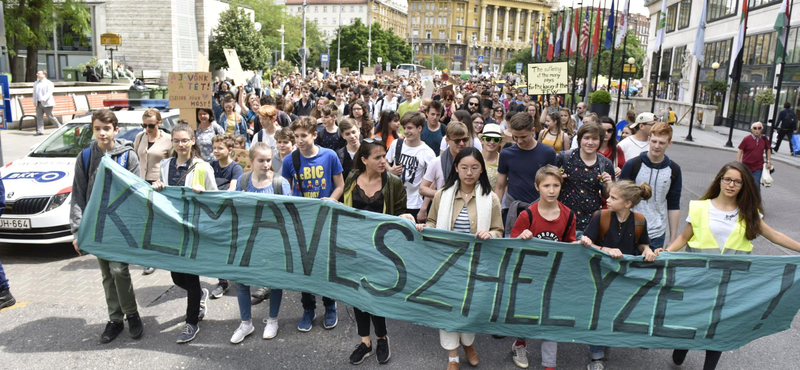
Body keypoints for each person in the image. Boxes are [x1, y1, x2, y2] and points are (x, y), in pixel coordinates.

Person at [655, 161, 800, 370]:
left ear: (744, 186)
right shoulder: (699, 207)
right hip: (698, 279)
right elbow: (685, 237)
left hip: (732, 284)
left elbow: (775, 236)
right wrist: (666, 252)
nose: (731, 185)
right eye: (728, 179)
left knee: (720, 327)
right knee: (692, 320)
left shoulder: (749, 213)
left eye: (738, 182)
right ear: (720, 180)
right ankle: (681, 349)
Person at [416, 147, 504, 370]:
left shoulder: (491, 198)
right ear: (456, 168)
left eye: (474, 167)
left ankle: (468, 345)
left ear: (481, 169)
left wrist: (490, 234)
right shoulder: (442, 195)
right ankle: (453, 356)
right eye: (464, 167)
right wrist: (423, 228)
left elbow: (498, 230)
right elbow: (433, 224)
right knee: (446, 308)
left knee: (469, 309)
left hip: (476, 265)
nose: (469, 172)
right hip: (446, 265)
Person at [70, 110, 143, 344]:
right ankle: (115, 319)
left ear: (115, 130)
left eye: (107, 128)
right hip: (95, 225)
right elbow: (78, 194)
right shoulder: (85, 156)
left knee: (119, 270)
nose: (102, 133)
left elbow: (137, 192)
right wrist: (77, 230)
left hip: (119, 226)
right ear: (93, 129)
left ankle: (132, 314)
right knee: (106, 274)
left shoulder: (128, 156)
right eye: (97, 128)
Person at [342, 138, 409, 365]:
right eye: (378, 157)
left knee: (374, 294)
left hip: (381, 251)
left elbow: (400, 212)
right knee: (357, 295)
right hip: (354, 248)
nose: (383, 161)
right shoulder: (351, 179)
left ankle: (381, 338)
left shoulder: (393, 182)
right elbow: (344, 210)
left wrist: (406, 217)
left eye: (384, 156)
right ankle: (365, 342)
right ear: (364, 160)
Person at [580, 180, 656, 370]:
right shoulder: (601, 216)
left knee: (615, 313)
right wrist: (605, 249)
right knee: (600, 313)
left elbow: (642, 243)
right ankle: (595, 357)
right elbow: (586, 243)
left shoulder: (639, 220)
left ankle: (605, 343)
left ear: (628, 203)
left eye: (613, 198)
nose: (608, 200)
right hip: (600, 274)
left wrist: (647, 250)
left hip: (624, 276)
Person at [152, 123, 217, 343]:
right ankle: (199, 295)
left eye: (185, 140)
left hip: (192, 230)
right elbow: (162, 194)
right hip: (172, 229)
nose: (181, 145)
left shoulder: (202, 167)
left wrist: (203, 193)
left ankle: (191, 323)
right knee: (177, 276)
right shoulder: (164, 165)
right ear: (172, 142)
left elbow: (215, 199)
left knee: (190, 276)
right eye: (177, 140)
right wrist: (158, 186)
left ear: (192, 141)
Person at [508, 165, 576, 370]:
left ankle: (549, 365)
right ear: (537, 187)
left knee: (550, 319)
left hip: (554, 276)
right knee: (526, 315)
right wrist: (521, 237)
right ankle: (520, 343)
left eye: (556, 185)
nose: (552, 190)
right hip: (529, 276)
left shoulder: (568, 215)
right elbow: (511, 245)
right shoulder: (527, 215)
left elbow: (569, 243)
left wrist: (579, 246)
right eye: (546, 185)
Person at [281, 116, 344, 331]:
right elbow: (285, 190)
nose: (299, 140)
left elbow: (340, 185)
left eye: (303, 136)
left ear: (314, 135)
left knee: (325, 265)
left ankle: (330, 305)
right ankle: (308, 308)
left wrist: (333, 199)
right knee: (304, 266)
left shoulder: (330, 156)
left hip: (325, 219)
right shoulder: (291, 160)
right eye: (296, 136)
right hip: (301, 220)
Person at [229, 142, 292, 343]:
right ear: (251, 161)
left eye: (268, 160)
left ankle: (273, 320)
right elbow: (235, 208)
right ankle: (246, 323)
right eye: (261, 160)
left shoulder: (280, 183)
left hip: (272, 241)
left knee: (274, 281)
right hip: (247, 239)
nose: (266, 164)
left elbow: (290, 212)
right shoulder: (243, 180)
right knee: (241, 281)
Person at [620, 122, 682, 249]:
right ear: (648, 139)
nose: (656, 146)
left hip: (657, 233)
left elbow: (674, 204)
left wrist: (673, 238)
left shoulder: (674, 170)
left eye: (662, 143)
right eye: (654, 141)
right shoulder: (632, 165)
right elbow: (620, 197)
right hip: (630, 228)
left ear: (669, 144)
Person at [495, 112, 557, 227]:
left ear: (533, 130)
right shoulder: (506, 154)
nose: (519, 141)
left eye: (523, 137)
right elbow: (500, 186)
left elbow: (553, 184)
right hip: (513, 209)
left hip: (540, 209)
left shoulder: (548, 153)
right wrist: (495, 212)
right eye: (515, 137)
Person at [133, 109, 173, 275]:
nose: (147, 129)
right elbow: (136, 157)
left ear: (159, 123)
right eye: (144, 125)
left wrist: (165, 182)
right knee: (145, 222)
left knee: (158, 222)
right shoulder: (140, 137)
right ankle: (149, 257)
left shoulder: (168, 139)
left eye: (150, 125)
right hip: (142, 184)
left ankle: (162, 254)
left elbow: (172, 163)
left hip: (159, 185)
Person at [556, 123, 614, 231]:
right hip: (563, 218)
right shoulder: (564, 157)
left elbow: (608, 196)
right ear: (579, 139)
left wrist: (608, 185)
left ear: (600, 141)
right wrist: (556, 178)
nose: (590, 143)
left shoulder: (606, 164)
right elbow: (545, 181)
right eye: (586, 138)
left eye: (595, 139)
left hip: (590, 222)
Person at [386, 111, 435, 222]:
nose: (406, 131)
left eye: (410, 128)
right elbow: (384, 161)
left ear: (419, 128)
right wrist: (390, 169)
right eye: (404, 128)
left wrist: (424, 208)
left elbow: (432, 182)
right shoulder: (396, 144)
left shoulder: (428, 153)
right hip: (394, 200)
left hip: (415, 203)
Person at [420, 122, 472, 200]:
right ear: (447, 140)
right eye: (457, 140)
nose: (461, 143)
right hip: (442, 207)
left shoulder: (472, 161)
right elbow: (422, 188)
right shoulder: (436, 162)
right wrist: (444, 193)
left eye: (465, 139)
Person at [736, 121, 772, 188]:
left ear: (761, 129)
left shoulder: (764, 139)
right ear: (751, 130)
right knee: (744, 184)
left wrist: (768, 161)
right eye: (755, 128)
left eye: (759, 128)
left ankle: (756, 198)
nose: (757, 130)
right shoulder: (747, 139)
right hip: (746, 166)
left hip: (758, 167)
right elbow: (740, 151)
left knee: (756, 185)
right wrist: (738, 163)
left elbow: (768, 149)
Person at [33, 70, 60, 136]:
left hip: (47, 103)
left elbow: (49, 92)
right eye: (37, 73)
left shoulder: (49, 83)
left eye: (39, 73)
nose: (37, 74)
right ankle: (40, 131)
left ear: (44, 75)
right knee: (39, 117)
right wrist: (34, 101)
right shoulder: (36, 83)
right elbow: (34, 93)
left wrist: (44, 98)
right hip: (38, 103)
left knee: (50, 116)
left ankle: (59, 127)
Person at [480, 123, 503, 190]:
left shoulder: (503, 160)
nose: (492, 142)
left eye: (496, 139)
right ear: (482, 140)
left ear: (500, 142)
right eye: (488, 139)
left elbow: (504, 186)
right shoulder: (474, 158)